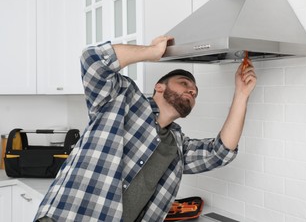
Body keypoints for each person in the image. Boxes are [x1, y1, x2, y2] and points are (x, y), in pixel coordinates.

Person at [34, 35, 257, 222]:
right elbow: (92, 59)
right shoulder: (120, 99)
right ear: (159, 87)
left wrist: (241, 94)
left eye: (195, 92)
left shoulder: (178, 146)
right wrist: (151, 52)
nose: (192, 91)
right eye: (184, 83)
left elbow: (220, 153)